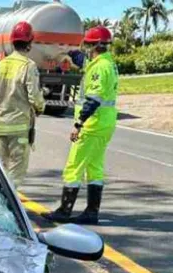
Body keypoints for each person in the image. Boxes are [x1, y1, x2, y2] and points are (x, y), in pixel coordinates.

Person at [45, 25, 118, 225]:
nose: (86, 49)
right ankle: (91, 212)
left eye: (87, 45)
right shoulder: (107, 63)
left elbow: (93, 100)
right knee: (94, 167)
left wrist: (78, 123)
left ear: (93, 46)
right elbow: (82, 61)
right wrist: (70, 51)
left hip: (92, 124)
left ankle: (64, 211)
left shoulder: (99, 68)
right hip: (106, 122)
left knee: (73, 166)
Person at [0, 21, 45, 189]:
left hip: (1, 126)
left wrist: (4, 105)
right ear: (29, 43)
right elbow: (34, 97)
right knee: (16, 172)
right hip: (19, 126)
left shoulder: (1, 65)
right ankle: (8, 205)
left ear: (12, 42)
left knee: (0, 169)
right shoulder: (28, 66)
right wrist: (40, 107)